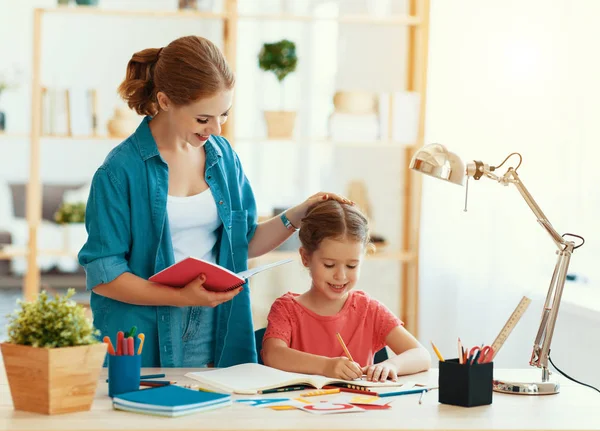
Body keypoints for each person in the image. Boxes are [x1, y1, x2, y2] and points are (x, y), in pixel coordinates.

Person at [78, 35, 349, 368]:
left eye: (223, 115)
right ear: (164, 101)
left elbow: (241, 243)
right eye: (203, 119)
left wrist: (298, 213)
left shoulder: (223, 158)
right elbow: (105, 276)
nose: (216, 129)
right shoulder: (119, 171)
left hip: (217, 322)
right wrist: (179, 297)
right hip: (141, 331)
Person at [262, 200, 431, 381]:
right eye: (329, 265)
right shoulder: (287, 309)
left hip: (358, 408)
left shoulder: (368, 309)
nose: (340, 276)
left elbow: (421, 355)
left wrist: (392, 365)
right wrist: (326, 366)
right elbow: (273, 355)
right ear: (305, 258)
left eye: (351, 265)